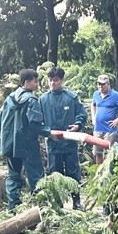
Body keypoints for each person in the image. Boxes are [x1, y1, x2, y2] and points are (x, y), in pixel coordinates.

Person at [0, 69, 50, 209]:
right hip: (27, 146)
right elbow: (35, 124)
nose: (37, 84)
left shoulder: (9, 99)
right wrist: (49, 133)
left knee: (13, 176)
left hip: (9, 145)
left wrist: (6, 137)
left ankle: (13, 208)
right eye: (35, 81)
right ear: (27, 82)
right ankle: (40, 207)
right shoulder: (32, 100)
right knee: (36, 176)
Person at [39, 67, 88, 209]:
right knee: (55, 173)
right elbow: (38, 120)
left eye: (55, 80)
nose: (52, 83)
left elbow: (82, 115)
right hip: (53, 145)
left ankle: (76, 201)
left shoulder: (71, 98)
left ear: (62, 80)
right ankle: (58, 203)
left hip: (70, 144)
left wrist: (78, 125)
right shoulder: (43, 100)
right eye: (50, 80)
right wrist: (46, 133)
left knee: (73, 172)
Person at [90, 74, 118, 165]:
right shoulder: (96, 94)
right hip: (97, 129)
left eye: (103, 84)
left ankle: (109, 173)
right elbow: (93, 104)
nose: (101, 86)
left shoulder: (115, 95)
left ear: (108, 84)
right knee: (98, 153)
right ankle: (98, 174)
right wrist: (93, 117)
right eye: (99, 84)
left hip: (110, 130)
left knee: (109, 154)